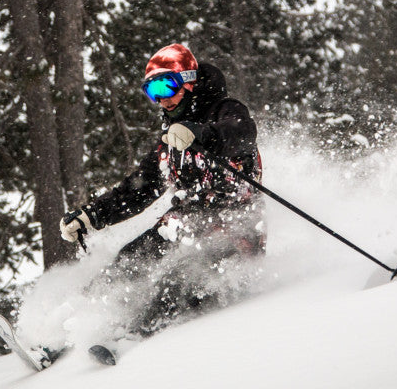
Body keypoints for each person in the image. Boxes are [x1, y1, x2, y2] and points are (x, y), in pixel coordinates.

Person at [59, 43, 265, 336]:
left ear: (189, 82)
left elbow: (240, 134)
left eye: (167, 87)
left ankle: (130, 336)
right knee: (128, 262)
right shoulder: (171, 139)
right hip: (185, 221)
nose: (162, 100)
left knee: (178, 280)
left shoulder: (225, 110)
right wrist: (91, 216)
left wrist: (202, 134)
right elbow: (139, 188)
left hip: (234, 225)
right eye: (153, 92)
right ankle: (74, 327)